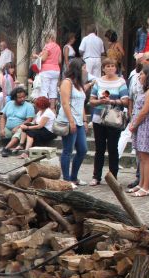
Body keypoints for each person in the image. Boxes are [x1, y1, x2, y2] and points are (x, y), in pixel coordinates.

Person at [89, 58, 129, 185]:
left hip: (114, 118)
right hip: (98, 118)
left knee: (113, 148)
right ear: (103, 68)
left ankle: (113, 176)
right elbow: (92, 100)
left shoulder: (121, 82)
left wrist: (112, 101)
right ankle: (96, 176)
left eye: (112, 66)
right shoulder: (98, 81)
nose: (110, 68)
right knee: (99, 148)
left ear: (116, 68)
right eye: (108, 66)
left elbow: (126, 100)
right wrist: (100, 101)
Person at [128, 64, 149, 197]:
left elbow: (145, 110)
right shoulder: (144, 90)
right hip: (139, 124)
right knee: (141, 156)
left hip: (146, 124)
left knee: (146, 156)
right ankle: (141, 183)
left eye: (142, 73)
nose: (140, 76)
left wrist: (134, 124)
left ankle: (146, 186)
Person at [57, 58, 89, 187]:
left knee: (82, 149)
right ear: (78, 68)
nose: (86, 70)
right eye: (84, 68)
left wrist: (85, 119)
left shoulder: (79, 84)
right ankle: (66, 179)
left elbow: (81, 104)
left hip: (79, 120)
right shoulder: (67, 82)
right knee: (68, 150)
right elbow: (65, 103)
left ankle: (74, 176)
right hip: (68, 120)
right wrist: (71, 121)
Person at [0, 87, 35, 156]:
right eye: (19, 97)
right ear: (14, 98)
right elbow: (3, 117)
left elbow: (29, 120)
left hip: (20, 129)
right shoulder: (9, 104)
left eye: (23, 97)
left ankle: (6, 149)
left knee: (20, 131)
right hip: (8, 129)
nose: (22, 99)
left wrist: (18, 127)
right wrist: (2, 129)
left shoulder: (29, 106)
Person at [36, 31, 62, 110]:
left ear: (48, 37)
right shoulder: (58, 47)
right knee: (53, 90)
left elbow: (43, 59)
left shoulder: (47, 47)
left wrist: (37, 57)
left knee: (44, 90)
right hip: (56, 70)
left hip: (46, 70)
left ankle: (44, 108)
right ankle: (52, 108)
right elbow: (59, 61)